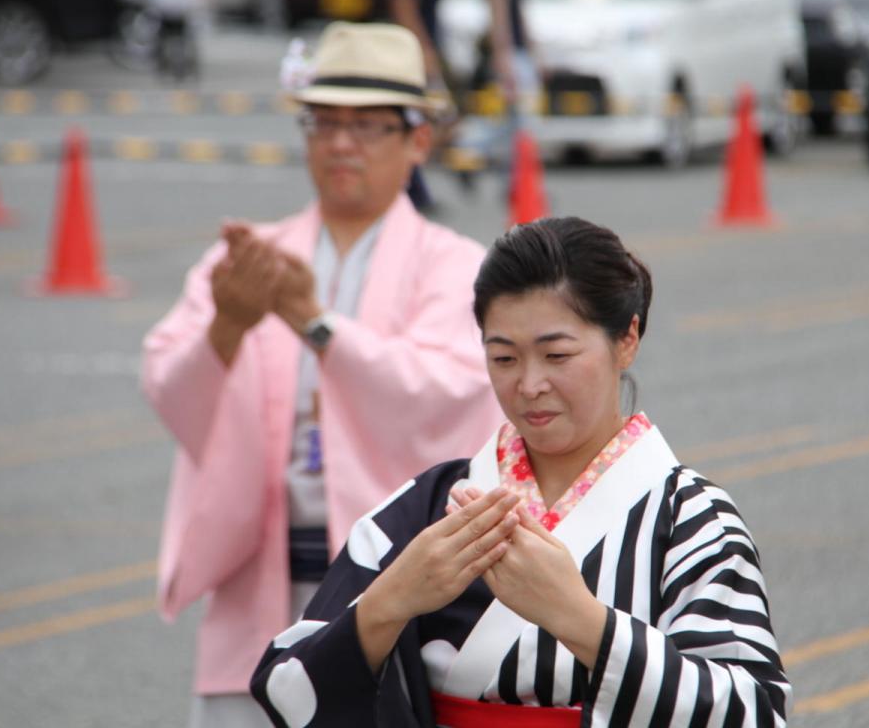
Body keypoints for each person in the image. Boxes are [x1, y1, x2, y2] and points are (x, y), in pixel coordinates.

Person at [251, 217, 790, 726]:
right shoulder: (432, 505)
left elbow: (755, 712)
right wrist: (392, 600)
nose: (529, 385)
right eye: (504, 358)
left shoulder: (692, 519)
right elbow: (286, 686)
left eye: (556, 356)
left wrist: (583, 620)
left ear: (626, 339)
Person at [142, 22, 504, 727]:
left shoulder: (454, 263)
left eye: (367, 125)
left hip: (395, 583)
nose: (341, 143)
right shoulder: (256, 256)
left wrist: (316, 322)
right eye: (325, 122)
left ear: (418, 139)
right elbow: (166, 382)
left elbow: (444, 394)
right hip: (261, 572)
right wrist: (227, 326)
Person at [389, 0, 451, 214]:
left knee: (420, 121)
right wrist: (423, 49)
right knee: (424, 119)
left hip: (422, 50)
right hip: (413, 55)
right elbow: (404, 6)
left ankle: (414, 188)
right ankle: (412, 188)